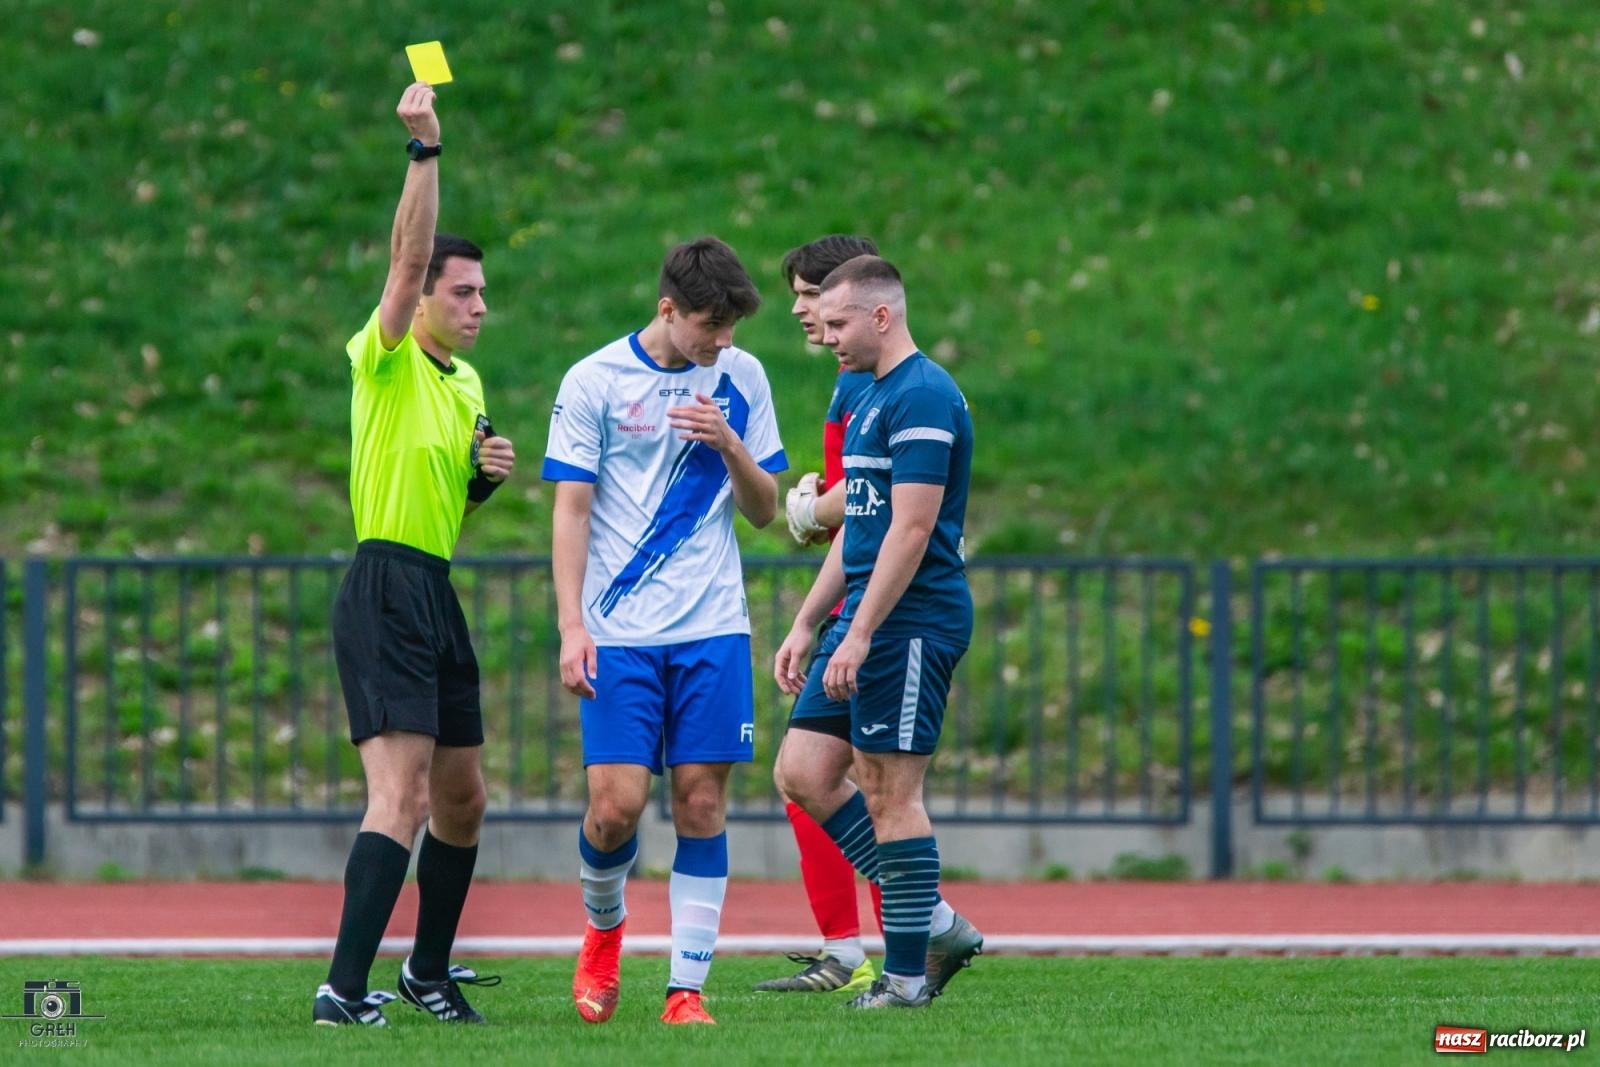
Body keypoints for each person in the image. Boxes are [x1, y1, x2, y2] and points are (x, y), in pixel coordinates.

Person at [543, 237, 785, 1026]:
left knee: (701, 801)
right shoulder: (594, 380)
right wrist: (572, 623)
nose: (723, 339)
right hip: (619, 633)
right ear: (667, 310)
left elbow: (764, 508)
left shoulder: (742, 379)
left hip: (713, 626)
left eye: (732, 325)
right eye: (711, 324)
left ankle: (686, 990)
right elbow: (571, 508)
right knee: (614, 807)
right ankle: (605, 930)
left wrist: (730, 443)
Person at [314, 82, 512, 1027]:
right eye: (462, 291)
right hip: (384, 582)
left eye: (481, 292)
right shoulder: (384, 353)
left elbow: (444, 491)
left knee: (463, 797)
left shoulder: (467, 379)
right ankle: (340, 990)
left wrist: (478, 482)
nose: (479, 306)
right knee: (396, 793)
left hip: (434, 586)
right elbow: (401, 260)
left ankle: (427, 973)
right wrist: (424, 150)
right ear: (423, 299)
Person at [773, 255, 981, 1010]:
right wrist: (806, 620)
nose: (827, 336)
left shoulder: (922, 394)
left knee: (891, 791)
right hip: (866, 610)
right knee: (803, 768)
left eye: (838, 323)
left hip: (909, 617)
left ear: (881, 317)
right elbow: (860, 526)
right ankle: (929, 920)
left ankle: (902, 976)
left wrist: (859, 633)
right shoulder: (870, 397)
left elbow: (912, 528)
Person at [755, 235, 886, 996]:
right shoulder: (849, 381)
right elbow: (855, 506)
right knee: (810, 777)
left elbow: (869, 501)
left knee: (866, 781)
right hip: (850, 600)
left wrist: (807, 508)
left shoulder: (892, 386)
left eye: (809, 294)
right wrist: (810, 616)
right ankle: (857, 946)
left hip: (885, 608)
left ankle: (909, 934)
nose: (800, 310)